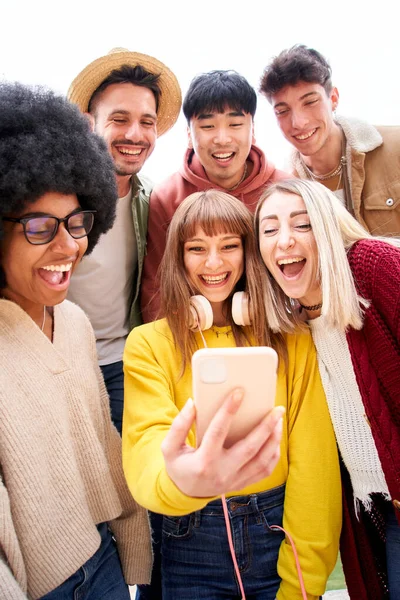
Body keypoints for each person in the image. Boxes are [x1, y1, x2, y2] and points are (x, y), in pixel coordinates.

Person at [123, 189, 341, 600]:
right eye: (197, 248)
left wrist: (303, 582)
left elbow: (316, 470)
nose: (214, 263)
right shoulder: (148, 344)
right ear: (178, 258)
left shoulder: (293, 341)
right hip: (189, 539)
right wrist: (186, 483)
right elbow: (146, 452)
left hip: (276, 535)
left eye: (229, 246)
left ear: (250, 253)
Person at [0, 82, 152, 599]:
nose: (69, 245)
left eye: (77, 222)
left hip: (103, 563)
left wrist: (134, 556)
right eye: (40, 226)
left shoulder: (74, 323)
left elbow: (104, 450)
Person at [255, 178, 400, 599]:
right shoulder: (295, 327)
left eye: (302, 225)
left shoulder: (372, 267)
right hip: (380, 513)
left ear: (328, 228)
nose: (284, 241)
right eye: (269, 230)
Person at [67, 48, 182, 434]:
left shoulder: (154, 201)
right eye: (119, 119)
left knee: (128, 479)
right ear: (88, 123)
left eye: (146, 122)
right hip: (58, 361)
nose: (134, 134)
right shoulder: (53, 198)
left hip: (123, 363)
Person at [140, 69, 289, 322]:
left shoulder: (285, 191)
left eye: (235, 124)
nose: (222, 139)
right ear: (189, 134)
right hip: (196, 337)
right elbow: (157, 286)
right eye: (208, 126)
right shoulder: (167, 197)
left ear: (252, 130)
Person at [259, 44, 400, 237]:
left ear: (333, 98)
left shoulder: (395, 148)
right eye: (283, 111)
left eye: (310, 102)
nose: (299, 123)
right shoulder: (287, 186)